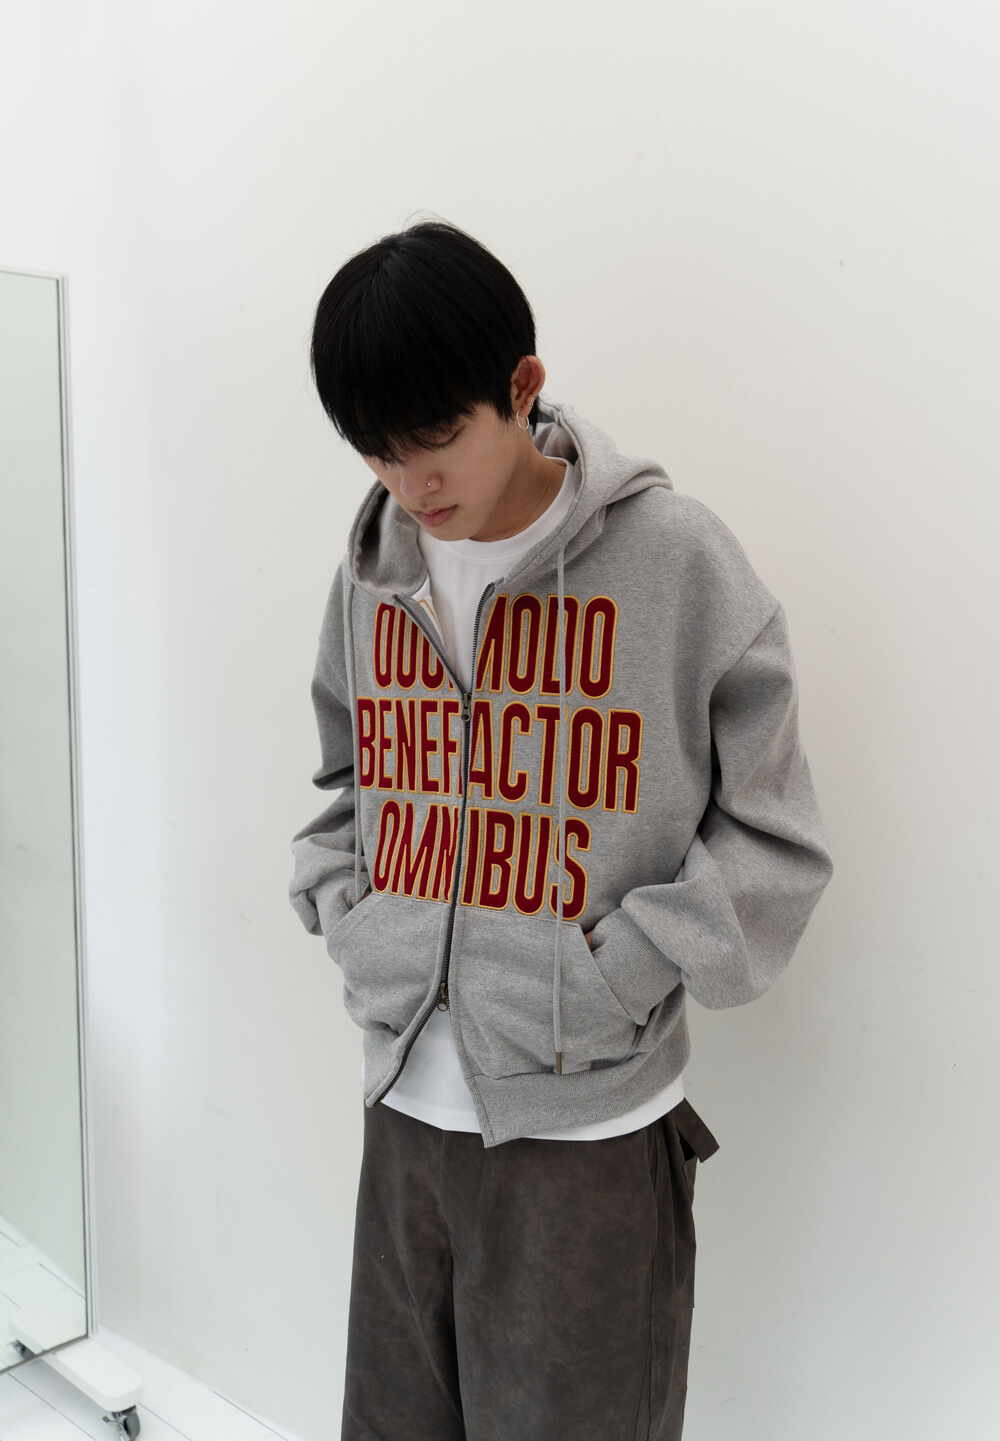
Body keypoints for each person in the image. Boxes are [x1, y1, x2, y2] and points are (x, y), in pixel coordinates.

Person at [288, 219, 834, 1441]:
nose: (411, 483)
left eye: (436, 437)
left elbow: (775, 839)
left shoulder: (676, 562)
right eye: (376, 451)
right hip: (402, 1109)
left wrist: (614, 974)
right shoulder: (373, 571)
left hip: (586, 1130)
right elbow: (344, 782)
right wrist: (356, 919)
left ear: (521, 385)